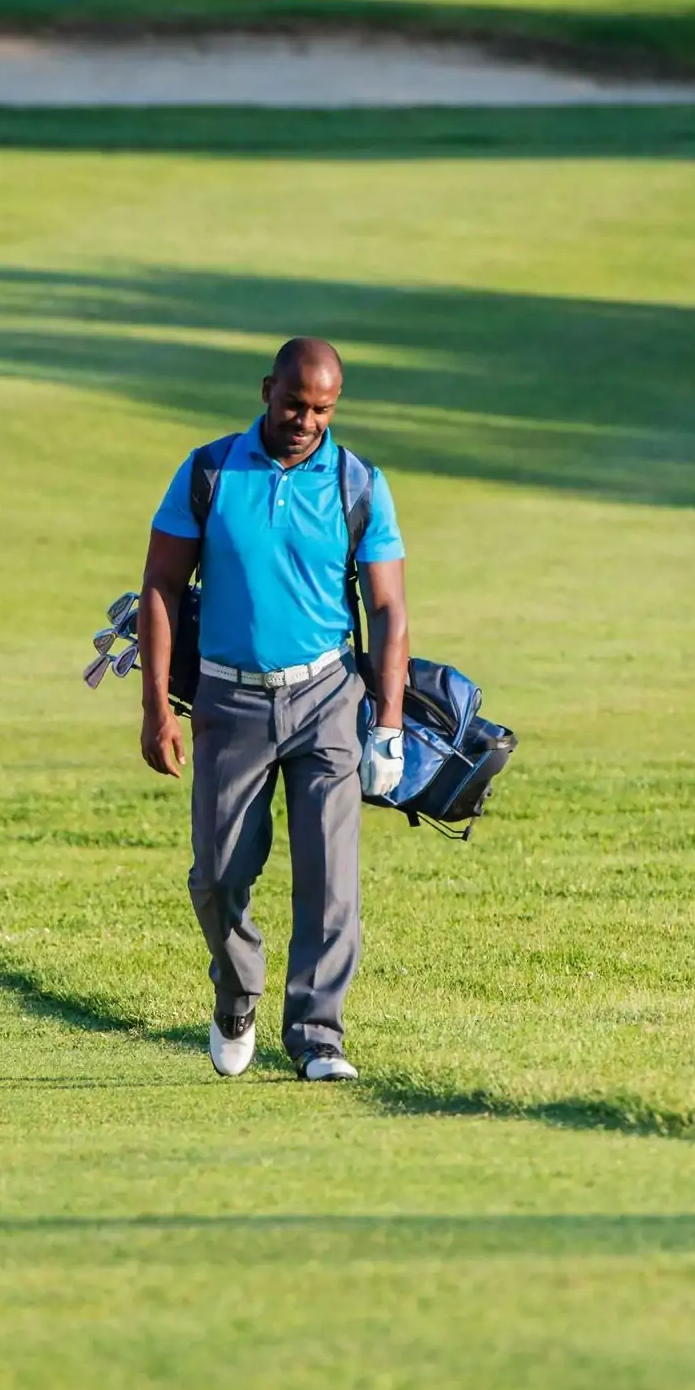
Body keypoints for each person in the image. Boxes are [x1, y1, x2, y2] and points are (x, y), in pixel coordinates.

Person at [135, 337, 409, 1082]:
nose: (306, 421)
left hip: (327, 696)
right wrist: (156, 705)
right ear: (266, 391)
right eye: (294, 404)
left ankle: (318, 1035)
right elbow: (160, 584)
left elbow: (387, 607)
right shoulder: (210, 471)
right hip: (229, 699)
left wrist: (386, 724)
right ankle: (236, 992)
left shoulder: (358, 483)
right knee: (218, 876)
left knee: (329, 876)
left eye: (322, 409)